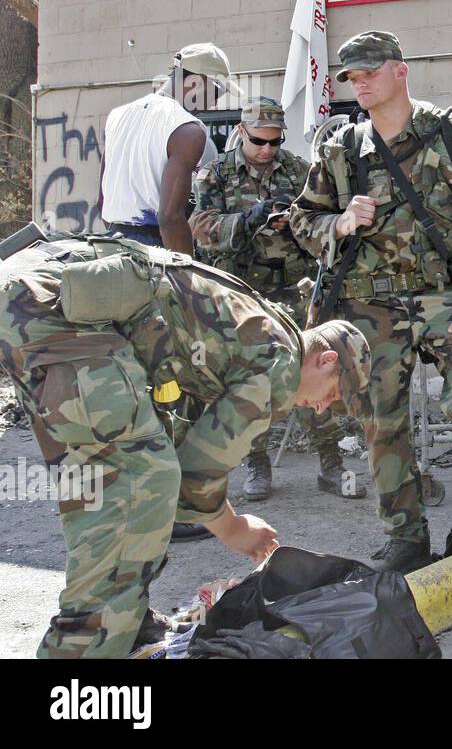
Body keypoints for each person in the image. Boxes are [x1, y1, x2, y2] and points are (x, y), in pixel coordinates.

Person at [0, 231, 372, 658]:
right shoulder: (278, 364)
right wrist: (236, 529)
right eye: (334, 394)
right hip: (59, 309)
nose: (322, 409)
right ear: (327, 361)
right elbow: (197, 475)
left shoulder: (258, 328)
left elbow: (175, 433)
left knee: (120, 481)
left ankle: (129, 621)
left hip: (43, 296)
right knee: (140, 488)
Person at [290, 30, 452, 574]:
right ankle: (405, 536)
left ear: (399, 71)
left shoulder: (448, 132)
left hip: (444, 297)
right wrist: (338, 222)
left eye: (368, 73)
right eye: (351, 77)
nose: (359, 84)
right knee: (380, 419)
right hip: (367, 305)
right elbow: (301, 221)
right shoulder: (340, 148)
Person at [190, 97, 365, 503]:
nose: (267, 149)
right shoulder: (215, 175)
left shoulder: (298, 170)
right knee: (252, 380)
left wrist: (294, 224)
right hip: (245, 297)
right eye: (258, 141)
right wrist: (248, 221)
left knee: (314, 373)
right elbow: (201, 229)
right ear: (241, 132)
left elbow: (318, 216)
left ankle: (331, 463)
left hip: (296, 290)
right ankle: (257, 462)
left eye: (274, 141)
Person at [98, 43, 228, 252]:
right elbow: (170, 219)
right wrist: (186, 274)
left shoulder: (118, 115)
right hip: (157, 248)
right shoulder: (188, 129)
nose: (213, 103)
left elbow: (102, 201)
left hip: (111, 243)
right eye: (217, 92)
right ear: (197, 82)